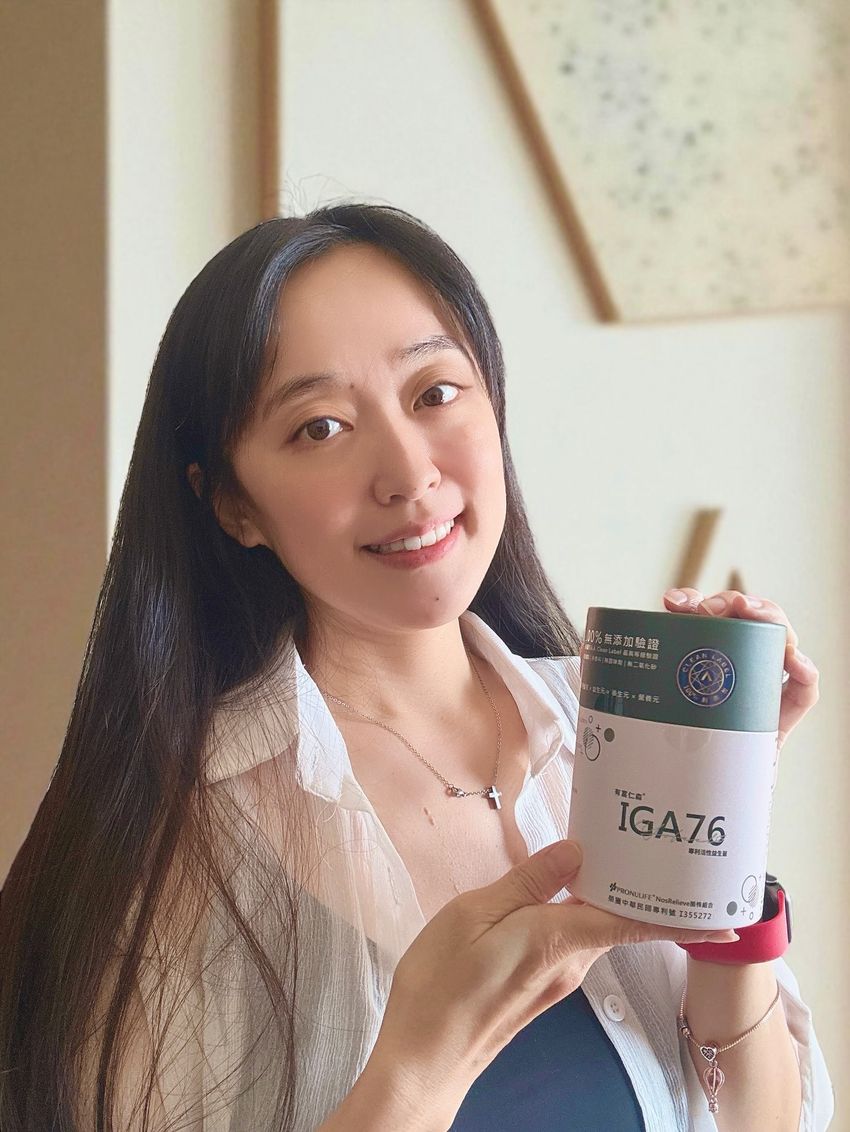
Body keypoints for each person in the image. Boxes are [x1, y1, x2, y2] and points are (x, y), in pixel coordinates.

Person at [0, 203, 833, 1131]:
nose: (407, 473)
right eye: (320, 427)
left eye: (434, 393)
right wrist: (418, 1068)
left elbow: (764, 1120)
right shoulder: (180, 834)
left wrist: (720, 811)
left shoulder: (604, 731)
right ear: (234, 504)